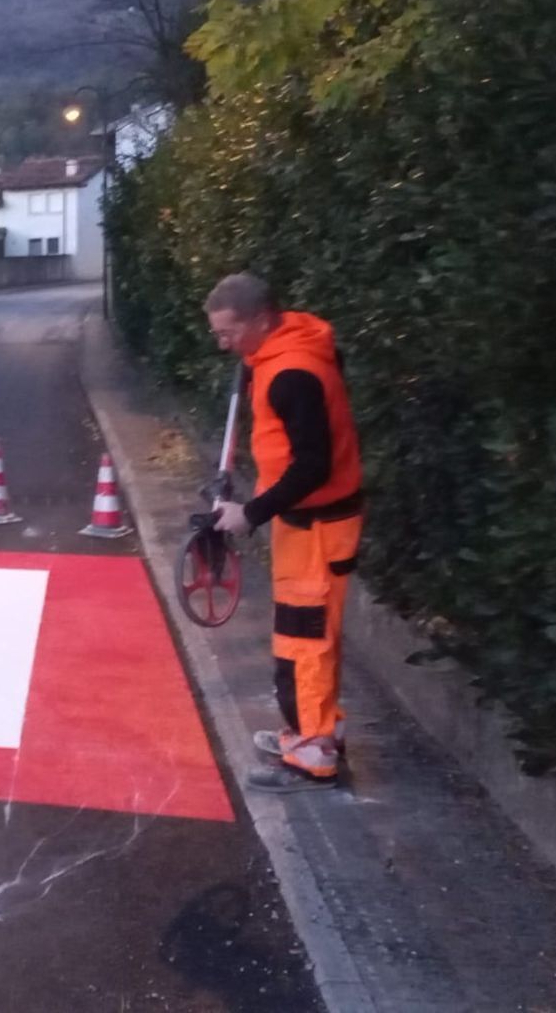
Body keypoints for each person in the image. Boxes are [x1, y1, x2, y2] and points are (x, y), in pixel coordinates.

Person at [206, 273, 364, 793]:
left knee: (306, 642)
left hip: (318, 526)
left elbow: (313, 465)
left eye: (228, 332)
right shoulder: (284, 352)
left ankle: (311, 753)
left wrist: (252, 512)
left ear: (260, 320)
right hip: (308, 521)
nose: (222, 343)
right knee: (304, 636)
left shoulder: (292, 373)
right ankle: (311, 730)